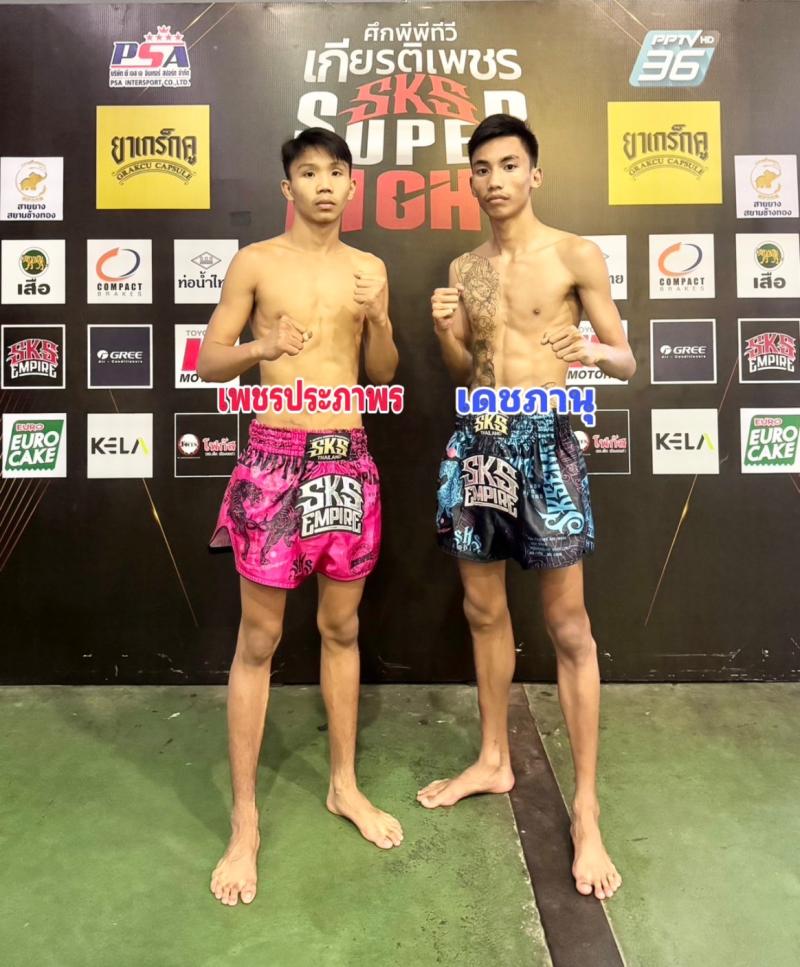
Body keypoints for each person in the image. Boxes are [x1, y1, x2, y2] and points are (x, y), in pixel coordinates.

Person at [421, 114, 635, 901]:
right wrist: (446, 331)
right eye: (482, 168)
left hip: (547, 440)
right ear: (471, 181)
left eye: (509, 165)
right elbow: (464, 366)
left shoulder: (576, 253)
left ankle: (587, 806)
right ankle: (493, 758)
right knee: (484, 611)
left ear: (533, 174)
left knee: (568, 626)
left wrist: (594, 351)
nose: (495, 180)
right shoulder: (465, 267)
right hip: (480, 439)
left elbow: (626, 359)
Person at [198, 128, 402, 908]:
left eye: (335, 172)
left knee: (341, 627)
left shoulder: (368, 269)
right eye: (308, 172)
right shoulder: (256, 263)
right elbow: (209, 361)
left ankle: (343, 784)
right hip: (275, 456)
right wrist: (261, 346)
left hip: (345, 455)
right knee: (259, 639)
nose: (323, 184)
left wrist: (380, 321)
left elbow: (381, 373)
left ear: (351, 186)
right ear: (289, 188)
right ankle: (245, 820)